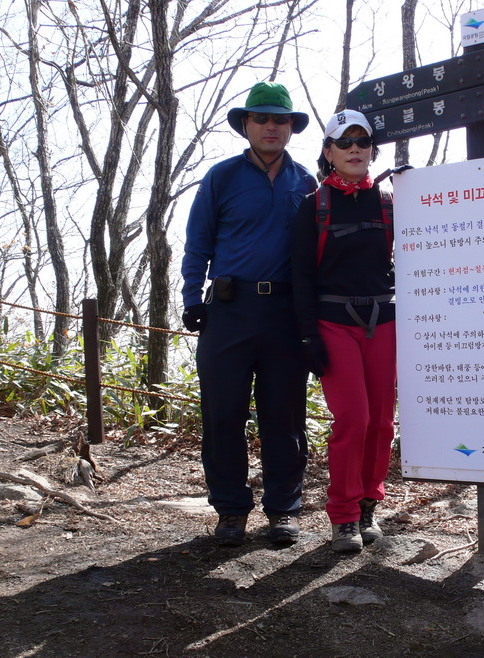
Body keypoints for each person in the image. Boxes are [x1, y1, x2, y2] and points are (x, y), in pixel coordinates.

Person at [180, 81, 317, 547]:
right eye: (261, 118)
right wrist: (191, 298)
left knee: (284, 416)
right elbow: (198, 241)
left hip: (285, 312)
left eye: (280, 119)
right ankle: (231, 510)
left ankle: (283, 510)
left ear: (291, 127)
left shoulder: (306, 183)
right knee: (223, 414)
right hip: (229, 310)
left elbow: (315, 254)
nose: (271, 126)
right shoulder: (222, 177)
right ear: (246, 125)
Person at [292, 110, 398, 553]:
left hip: (385, 322)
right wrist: (306, 337)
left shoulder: (391, 202)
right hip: (332, 323)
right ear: (329, 152)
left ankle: (370, 503)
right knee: (353, 419)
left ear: (372, 149)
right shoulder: (313, 205)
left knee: (381, 422)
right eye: (345, 142)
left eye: (363, 140)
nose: (355, 148)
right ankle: (344, 516)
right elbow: (300, 274)